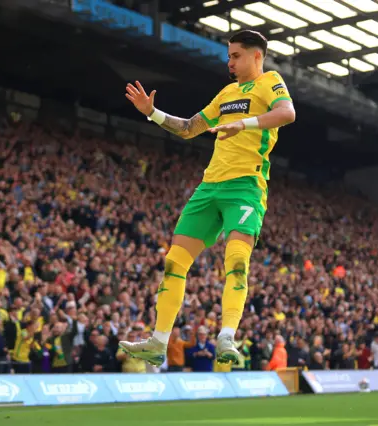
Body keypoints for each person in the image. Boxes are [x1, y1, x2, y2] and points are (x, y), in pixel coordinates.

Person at [119, 29, 296, 366]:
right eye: (228, 56)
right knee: (174, 263)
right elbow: (189, 128)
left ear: (256, 56)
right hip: (209, 188)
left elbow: (287, 113)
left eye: (236, 56)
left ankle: (227, 336)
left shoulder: (270, 81)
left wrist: (244, 125)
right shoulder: (227, 93)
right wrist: (152, 112)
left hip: (245, 187)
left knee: (237, 262)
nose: (229, 62)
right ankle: (158, 341)